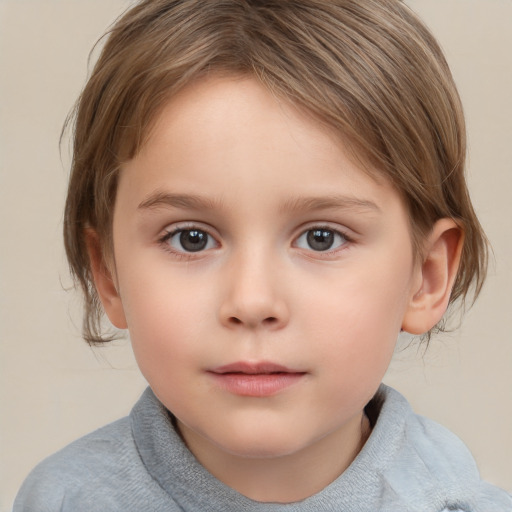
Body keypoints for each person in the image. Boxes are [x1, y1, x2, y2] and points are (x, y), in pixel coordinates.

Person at [13, 0, 512, 510]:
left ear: (426, 277)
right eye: (191, 238)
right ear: (109, 273)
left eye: (322, 237)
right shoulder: (58, 500)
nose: (252, 301)